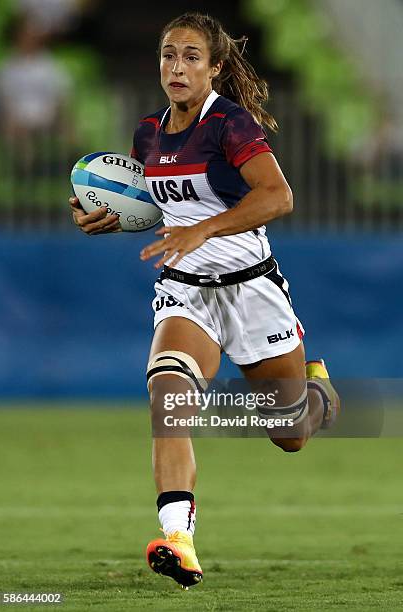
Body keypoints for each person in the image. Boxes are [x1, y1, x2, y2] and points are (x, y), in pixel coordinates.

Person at [69, 12, 340, 590]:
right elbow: (170, 214)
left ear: (215, 67)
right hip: (186, 292)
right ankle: (179, 540)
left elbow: (278, 197)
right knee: (167, 395)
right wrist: (110, 220)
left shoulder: (230, 124)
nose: (177, 66)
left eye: (192, 56)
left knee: (288, 432)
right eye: (169, 54)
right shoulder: (148, 132)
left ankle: (321, 394)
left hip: (252, 290)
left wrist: (206, 230)